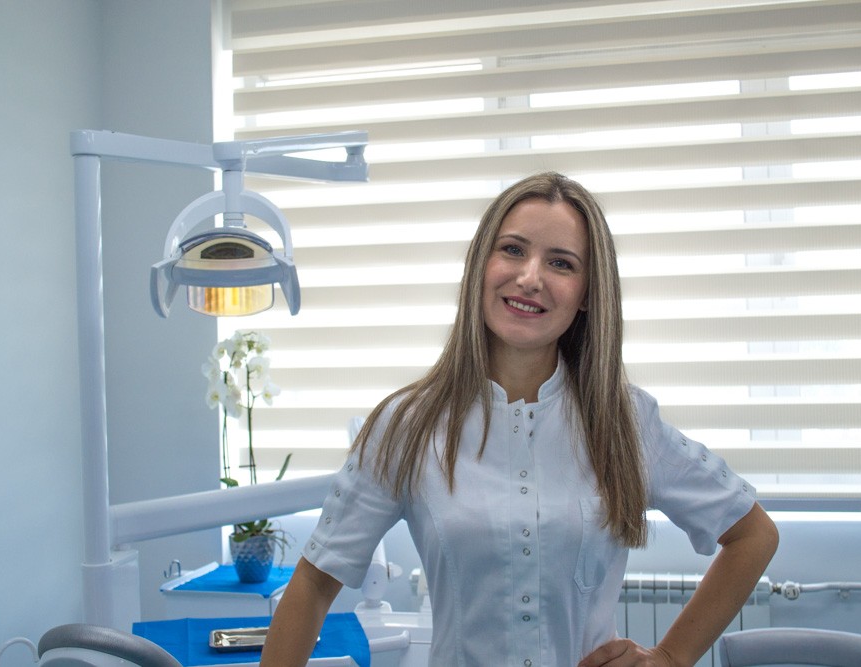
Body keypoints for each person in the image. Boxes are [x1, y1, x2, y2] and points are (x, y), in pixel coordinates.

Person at [259, 172, 779, 667]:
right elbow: (313, 583)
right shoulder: (407, 428)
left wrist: (671, 656)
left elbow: (753, 534)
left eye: (561, 263)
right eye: (512, 250)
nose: (530, 278)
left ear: (586, 294)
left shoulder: (627, 423)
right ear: (480, 267)